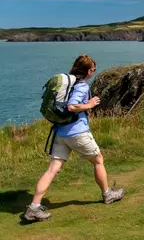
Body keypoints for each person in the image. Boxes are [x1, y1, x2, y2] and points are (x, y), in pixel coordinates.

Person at [24, 54, 125, 222]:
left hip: (60, 132)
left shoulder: (68, 83)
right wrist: (90, 105)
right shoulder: (82, 86)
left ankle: (33, 208)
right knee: (98, 160)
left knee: (52, 170)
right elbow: (72, 106)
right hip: (77, 132)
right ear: (88, 70)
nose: (94, 71)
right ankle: (107, 194)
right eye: (93, 69)